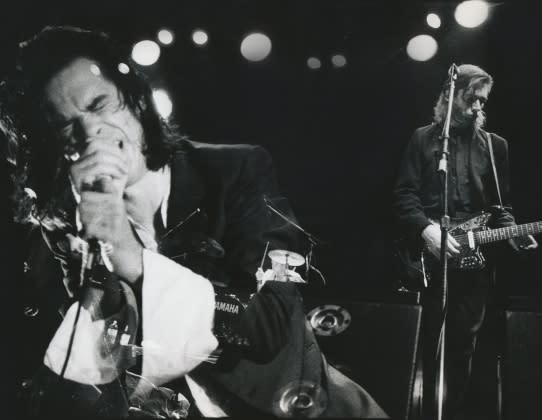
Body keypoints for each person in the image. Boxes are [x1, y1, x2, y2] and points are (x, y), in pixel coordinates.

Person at [6, 26, 386, 417]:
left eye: (99, 105)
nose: (90, 134)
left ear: (136, 101)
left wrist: (134, 259)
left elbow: (271, 323)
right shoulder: (65, 224)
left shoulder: (238, 170)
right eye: (64, 126)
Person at [393, 64, 537, 419]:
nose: (477, 107)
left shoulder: (494, 146)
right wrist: (426, 231)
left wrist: (516, 233)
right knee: (421, 343)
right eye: (471, 99)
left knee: (461, 349)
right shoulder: (422, 139)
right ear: (449, 95)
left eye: (482, 101)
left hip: (473, 263)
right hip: (426, 256)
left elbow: (500, 207)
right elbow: (404, 196)